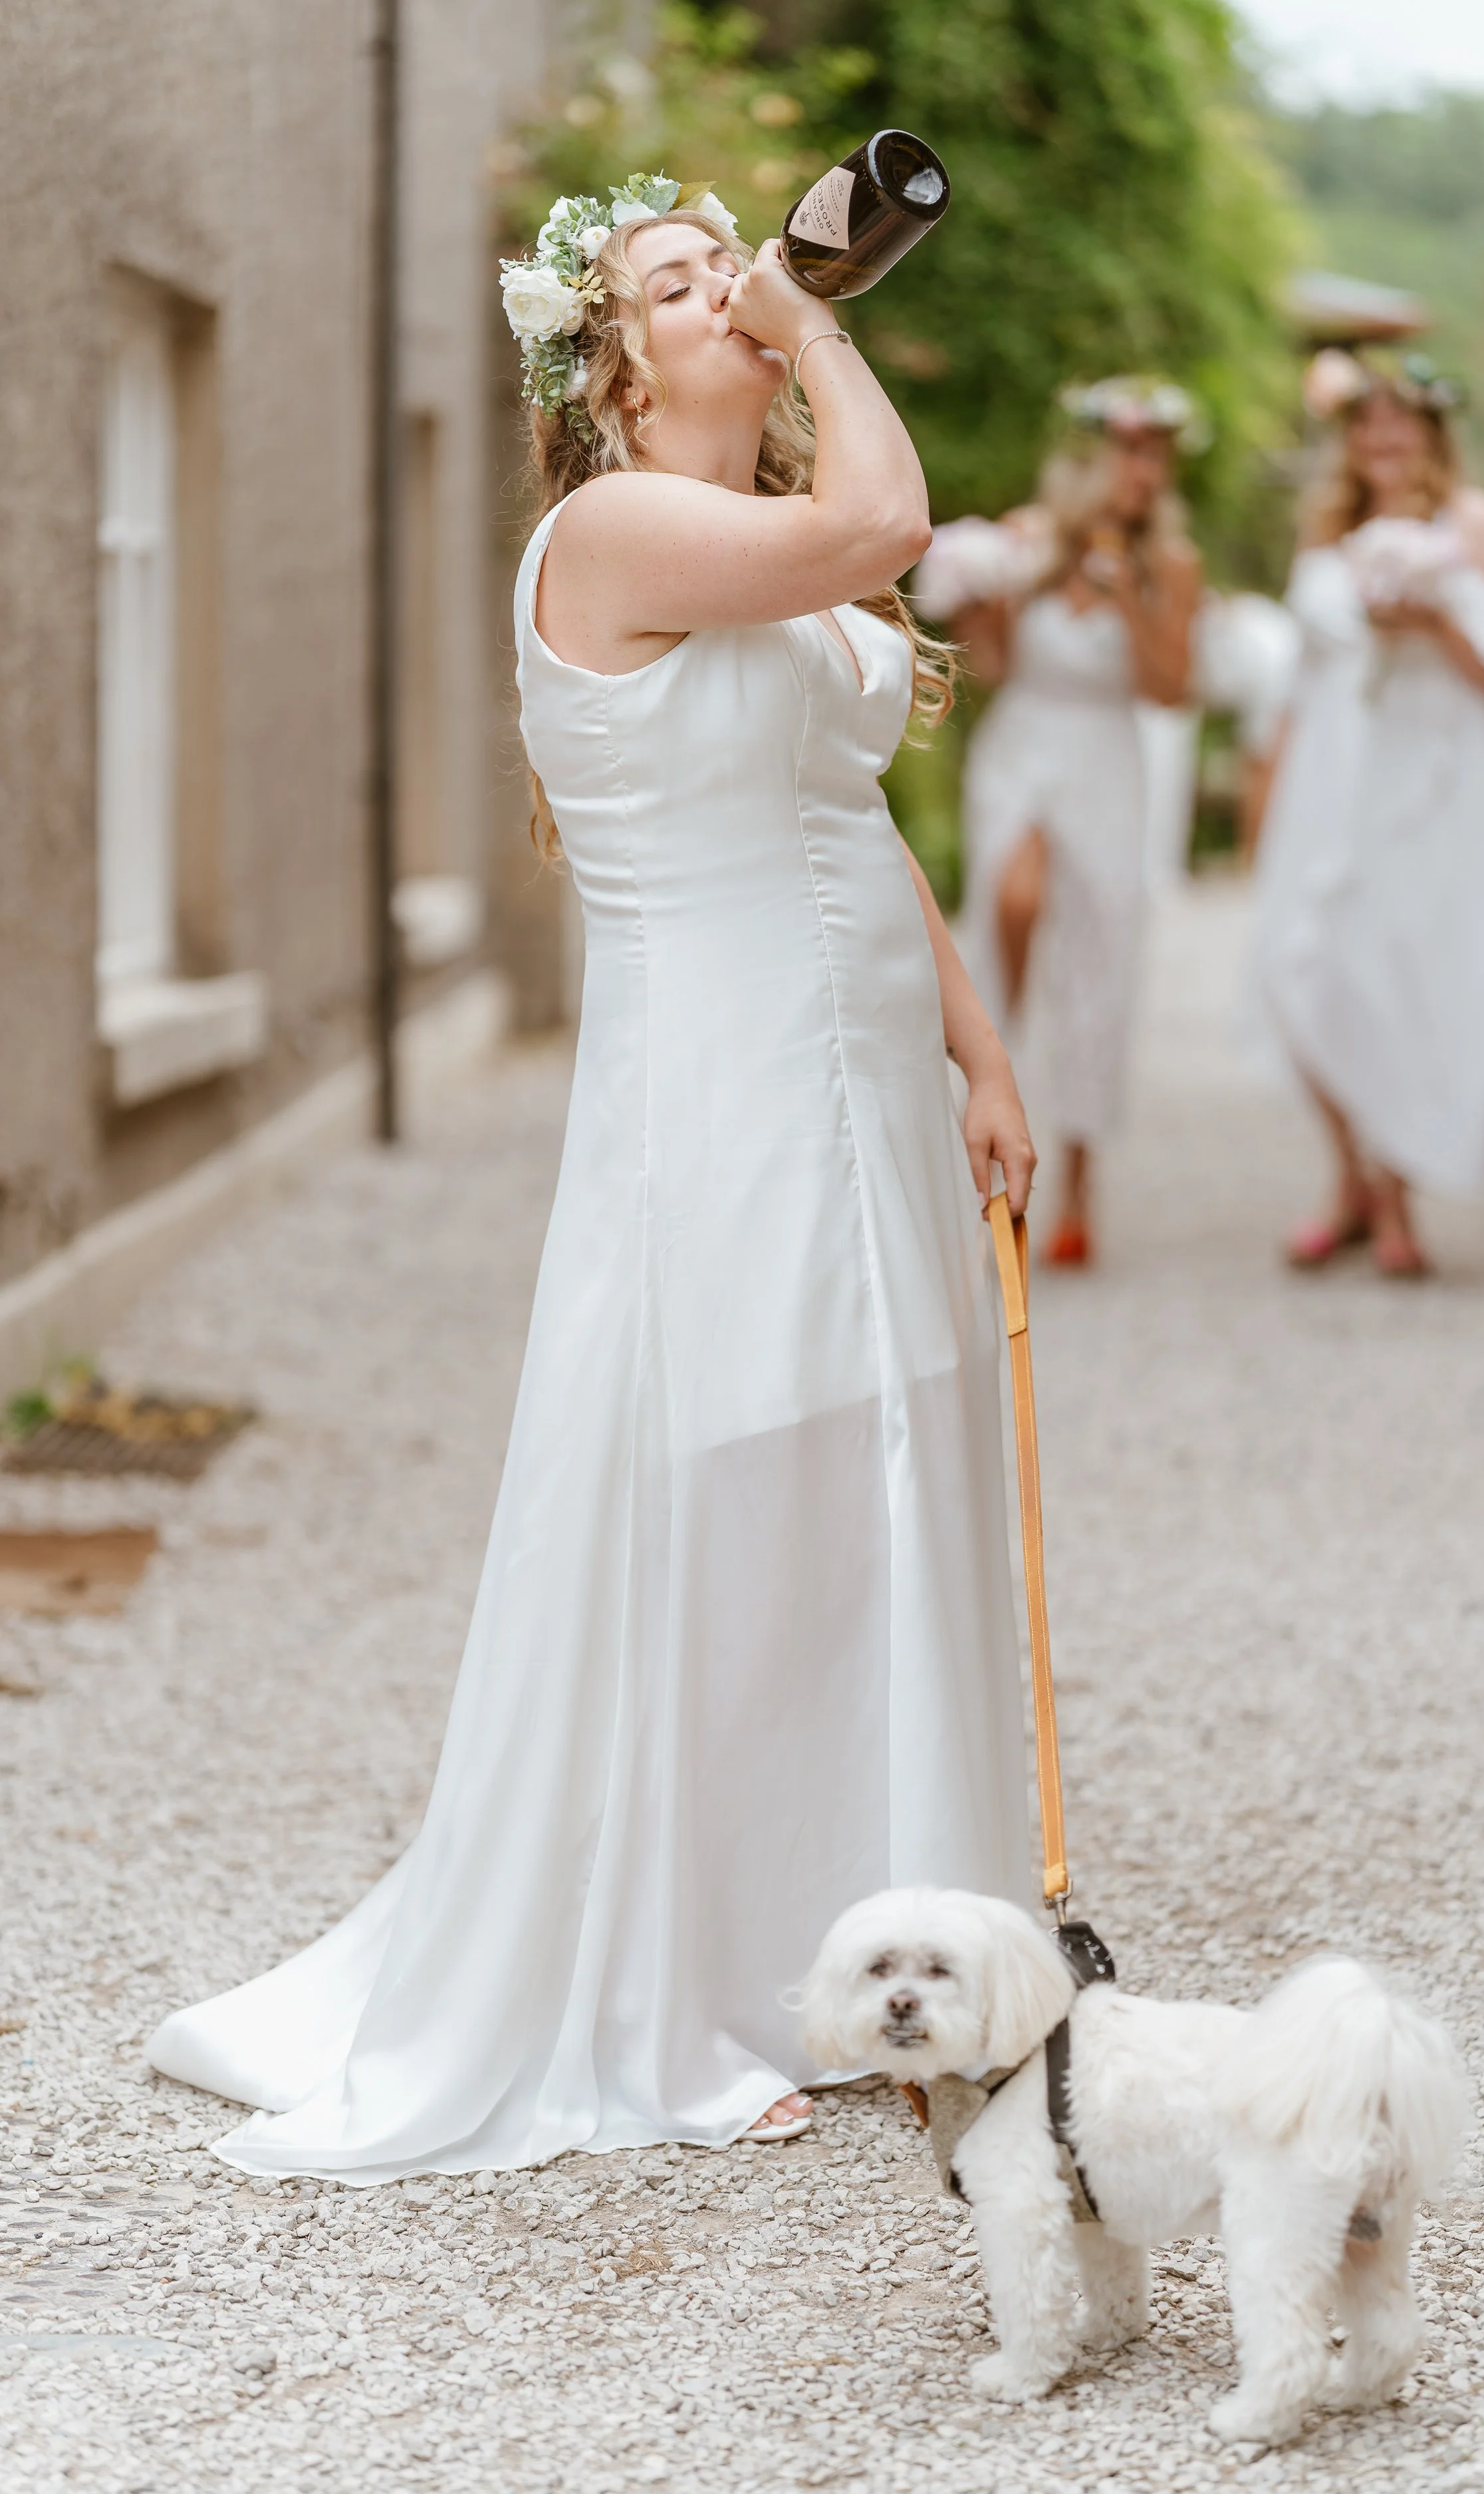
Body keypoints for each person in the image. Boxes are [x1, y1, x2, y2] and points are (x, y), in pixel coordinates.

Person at [147, 177, 1036, 2175]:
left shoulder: (761, 553)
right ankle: (689, 1983)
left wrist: (976, 1049)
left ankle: (896, 1947)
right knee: (735, 1485)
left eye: (734, 260)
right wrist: (816, 323)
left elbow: (849, 808)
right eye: (677, 278)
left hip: (868, 1081)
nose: (730, 287)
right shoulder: (618, 529)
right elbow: (890, 523)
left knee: (877, 1468)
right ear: (613, 369)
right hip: (722, 1083)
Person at [1252, 350, 1484, 1278]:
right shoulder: (1328, 527)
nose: (1381, 438)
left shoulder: (1478, 524)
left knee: (1402, 972)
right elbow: (1298, 684)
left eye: (1399, 419)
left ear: (1433, 430)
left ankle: (1399, 1197)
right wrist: (1267, 794)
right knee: (1297, 969)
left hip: (1433, 771)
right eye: (1365, 423)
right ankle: (1349, 1176)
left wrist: (1430, 620)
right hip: (1328, 772)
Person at [914, 380, 1203, 1266]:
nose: (1143, 471)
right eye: (1129, 451)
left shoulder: (1171, 564)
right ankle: (993, 1099)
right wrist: (974, 609)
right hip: (1023, 751)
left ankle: (1078, 1180)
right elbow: (999, 667)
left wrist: (1130, 603)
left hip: (1107, 761)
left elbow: (1172, 690)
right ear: (1089, 458)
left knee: (1097, 958)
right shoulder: (1026, 541)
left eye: (1156, 455)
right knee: (1014, 905)